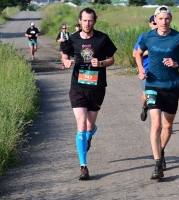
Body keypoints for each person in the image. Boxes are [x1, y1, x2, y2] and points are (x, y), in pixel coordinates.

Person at [135, 5, 179, 179]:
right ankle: (157, 165)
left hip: (171, 86)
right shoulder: (148, 37)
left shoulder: (178, 38)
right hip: (152, 84)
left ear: (171, 19)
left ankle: (161, 151)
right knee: (156, 125)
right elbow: (138, 53)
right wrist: (140, 69)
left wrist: (178, 64)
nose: (164, 21)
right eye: (160, 18)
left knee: (168, 125)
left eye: (167, 18)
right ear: (155, 19)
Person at [62, 7, 117, 180]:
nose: (87, 23)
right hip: (78, 87)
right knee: (81, 125)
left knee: (90, 127)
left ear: (94, 21)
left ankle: (90, 134)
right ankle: (83, 166)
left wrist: (100, 63)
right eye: (84, 20)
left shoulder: (102, 38)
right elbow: (64, 53)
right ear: (80, 20)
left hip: (97, 87)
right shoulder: (73, 39)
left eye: (90, 20)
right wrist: (66, 61)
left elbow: (112, 59)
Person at [132, 15, 157, 121]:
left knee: (157, 99)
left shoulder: (165, 38)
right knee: (146, 97)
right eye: (154, 23)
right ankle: (144, 107)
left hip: (160, 73)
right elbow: (134, 54)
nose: (156, 26)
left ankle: (156, 123)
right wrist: (149, 52)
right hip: (146, 71)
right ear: (150, 24)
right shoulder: (144, 37)